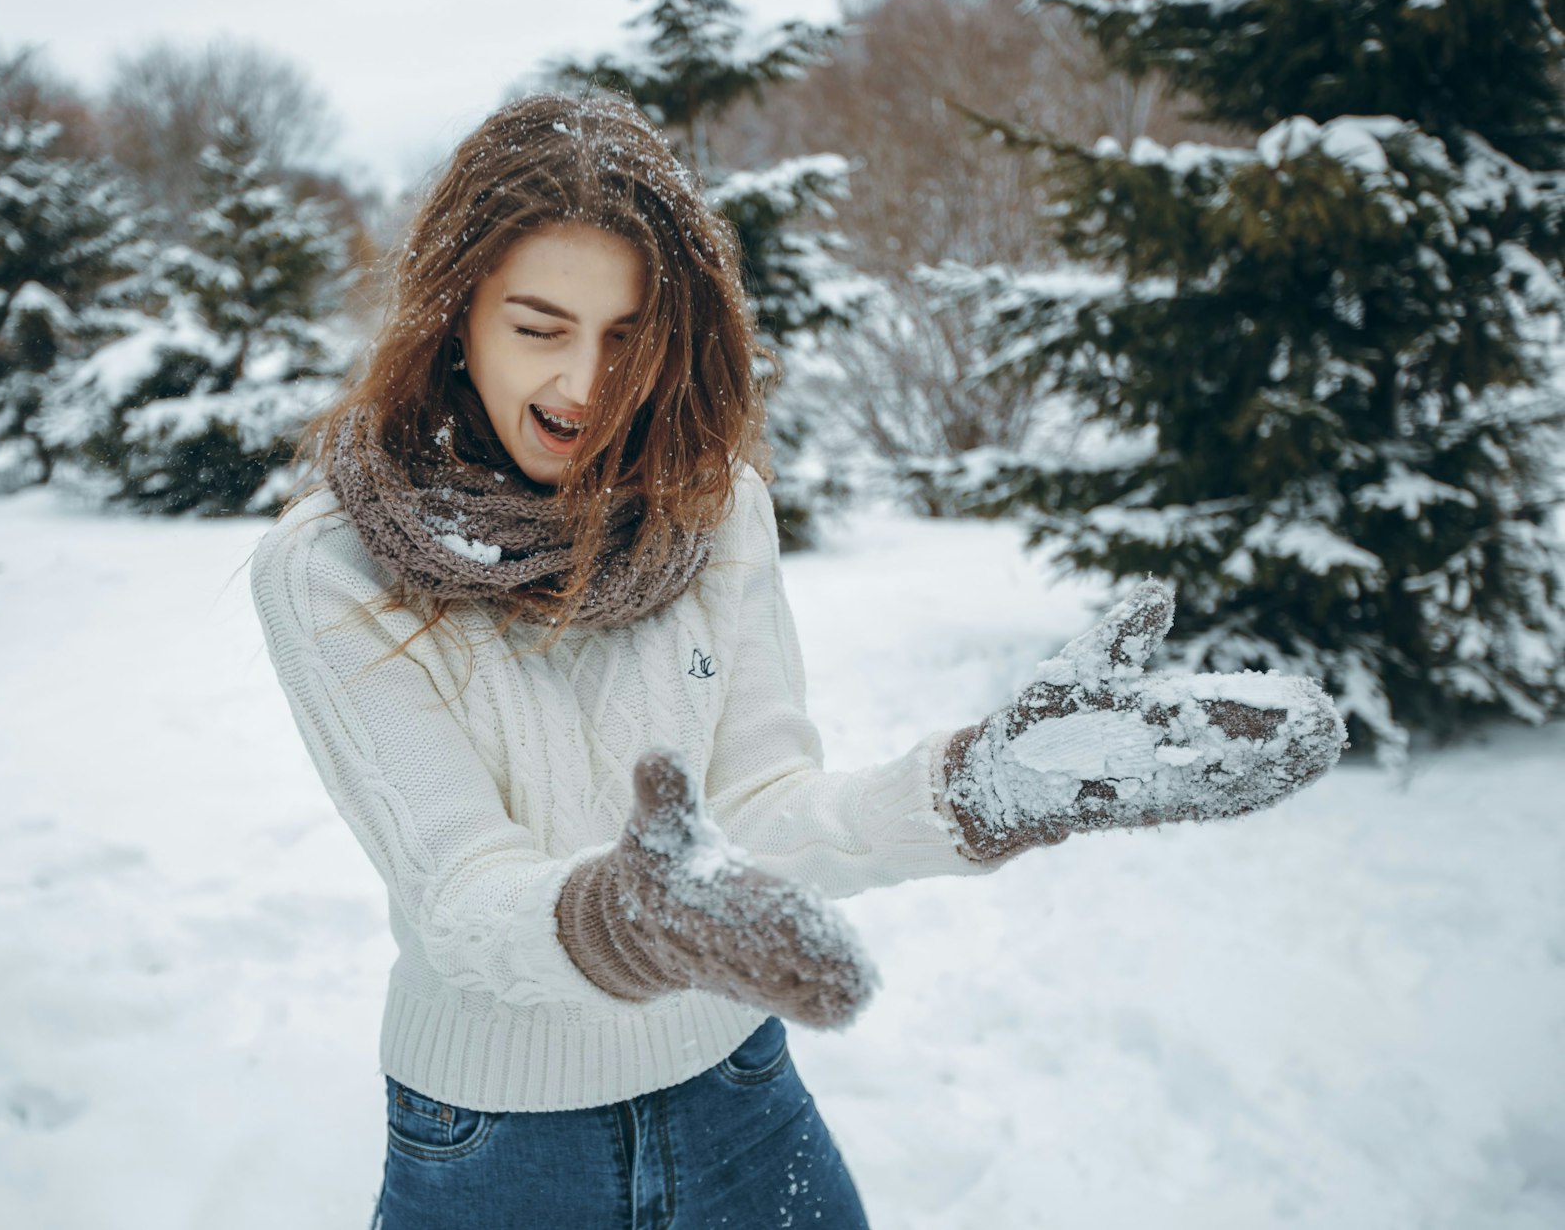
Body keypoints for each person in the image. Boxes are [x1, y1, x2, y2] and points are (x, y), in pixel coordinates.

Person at [248, 90, 1346, 1229]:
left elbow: (763, 804)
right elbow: (457, 894)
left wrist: (971, 791)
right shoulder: (332, 568)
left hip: (736, 1093)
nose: (585, 385)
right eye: (537, 328)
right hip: (497, 1145)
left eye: (628, 337)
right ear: (453, 315)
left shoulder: (711, 514)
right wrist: (623, 916)